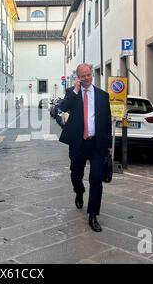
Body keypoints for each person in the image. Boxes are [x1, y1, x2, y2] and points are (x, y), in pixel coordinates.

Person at [59, 63, 112, 232]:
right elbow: (62, 107)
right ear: (78, 77)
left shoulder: (103, 96)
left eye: (88, 75)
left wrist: (109, 145)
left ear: (92, 75)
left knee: (96, 178)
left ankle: (93, 215)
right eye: (83, 76)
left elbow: (106, 121)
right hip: (78, 142)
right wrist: (75, 90)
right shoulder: (71, 93)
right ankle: (79, 191)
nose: (86, 78)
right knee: (76, 173)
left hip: (96, 143)